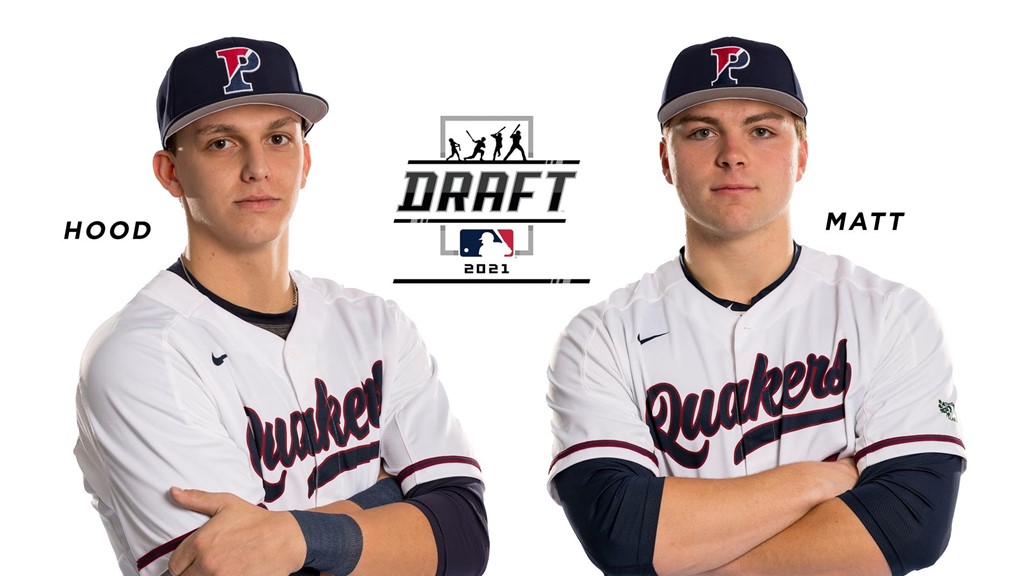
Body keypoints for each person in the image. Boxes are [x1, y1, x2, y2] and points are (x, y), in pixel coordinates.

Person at [546, 37, 964, 576]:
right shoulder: (601, 335)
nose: (732, 154)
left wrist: (698, 558)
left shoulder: (891, 314)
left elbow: (910, 522)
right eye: (702, 132)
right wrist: (820, 479)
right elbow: (623, 535)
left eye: (762, 130)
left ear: (802, 155)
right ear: (666, 161)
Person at [74, 37, 488, 576]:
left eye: (277, 138)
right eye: (221, 143)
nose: (257, 168)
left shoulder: (376, 324)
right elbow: (230, 564)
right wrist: (399, 506)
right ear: (171, 173)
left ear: (305, 159)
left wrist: (292, 536)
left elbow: (463, 534)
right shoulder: (138, 356)